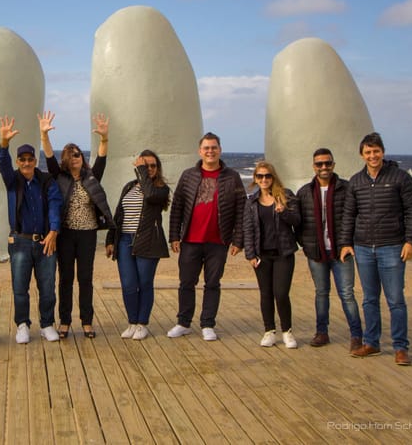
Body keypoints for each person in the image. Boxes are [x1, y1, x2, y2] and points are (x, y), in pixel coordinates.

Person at [340, 132, 412, 366]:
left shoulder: (400, 178)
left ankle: (400, 347)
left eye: (376, 151)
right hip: (363, 248)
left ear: (382, 152)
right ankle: (372, 343)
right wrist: (346, 243)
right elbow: (349, 215)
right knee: (369, 299)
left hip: (392, 247)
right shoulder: (356, 181)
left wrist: (411, 241)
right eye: (368, 152)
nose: (372, 155)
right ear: (362, 155)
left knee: (395, 299)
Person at [40, 111, 114, 339]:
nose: (74, 158)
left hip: (88, 234)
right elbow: (50, 157)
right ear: (65, 160)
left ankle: (87, 322)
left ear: (82, 158)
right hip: (66, 234)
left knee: (85, 278)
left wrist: (104, 138)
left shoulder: (92, 177)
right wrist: (44, 135)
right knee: (65, 279)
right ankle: (64, 321)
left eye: (77, 155)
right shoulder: (59, 177)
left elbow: (101, 159)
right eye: (70, 156)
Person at [167, 132, 246, 341]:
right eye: (206, 148)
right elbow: (177, 207)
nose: (210, 151)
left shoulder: (232, 177)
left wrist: (239, 240)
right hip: (191, 240)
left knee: (212, 283)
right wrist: (174, 235)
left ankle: (208, 324)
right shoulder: (188, 175)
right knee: (186, 283)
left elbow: (241, 209)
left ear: (220, 150)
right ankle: (183, 322)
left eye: (214, 147)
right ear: (200, 151)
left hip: (218, 241)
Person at [0, 115, 63, 343]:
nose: (26, 163)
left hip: (45, 241)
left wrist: (54, 231)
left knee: (47, 287)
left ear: (36, 161)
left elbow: (55, 204)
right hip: (20, 241)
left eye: (30, 159)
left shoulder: (46, 181)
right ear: (18, 162)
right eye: (22, 159)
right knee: (20, 287)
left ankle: (47, 324)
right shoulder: (11, 180)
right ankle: (22, 325)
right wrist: (4, 143)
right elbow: (2, 162)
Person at [296, 148, 363, 352]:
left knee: (347, 294)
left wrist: (347, 244)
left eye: (327, 163)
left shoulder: (347, 188)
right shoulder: (305, 192)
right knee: (321, 293)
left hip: (341, 252)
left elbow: (354, 218)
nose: (324, 167)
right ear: (314, 166)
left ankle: (356, 335)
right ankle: (322, 332)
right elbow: (299, 223)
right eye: (319, 164)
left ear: (333, 165)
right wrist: (307, 247)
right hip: (316, 253)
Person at [105, 150, 171, 341]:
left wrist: (141, 171)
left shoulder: (160, 189)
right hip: (125, 239)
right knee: (128, 284)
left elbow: (150, 195)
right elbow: (119, 214)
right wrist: (111, 239)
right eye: (145, 165)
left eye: (152, 166)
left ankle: (142, 323)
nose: (149, 169)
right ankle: (132, 322)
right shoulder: (129, 187)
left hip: (148, 240)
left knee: (144, 283)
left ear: (157, 168)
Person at [243, 162, 301, 348]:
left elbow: (297, 221)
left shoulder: (286, 196)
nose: (264, 180)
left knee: (281, 293)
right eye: (260, 176)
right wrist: (250, 254)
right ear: (255, 179)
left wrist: (283, 211)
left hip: (283, 253)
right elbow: (248, 229)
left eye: (267, 176)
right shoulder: (251, 201)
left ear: (273, 177)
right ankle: (269, 331)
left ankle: (287, 331)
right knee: (265, 294)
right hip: (262, 255)